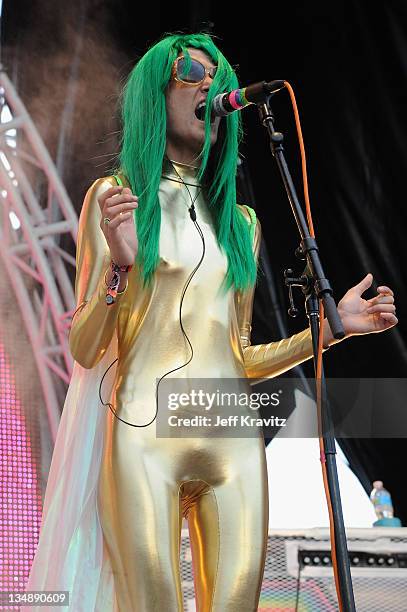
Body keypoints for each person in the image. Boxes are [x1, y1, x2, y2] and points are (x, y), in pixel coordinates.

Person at [26, 33, 398, 612]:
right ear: (157, 92)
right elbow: (83, 345)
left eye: (219, 76)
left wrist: (331, 331)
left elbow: (241, 355)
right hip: (144, 439)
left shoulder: (240, 224)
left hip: (231, 441)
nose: (211, 85)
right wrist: (118, 271)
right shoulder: (115, 198)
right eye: (194, 72)